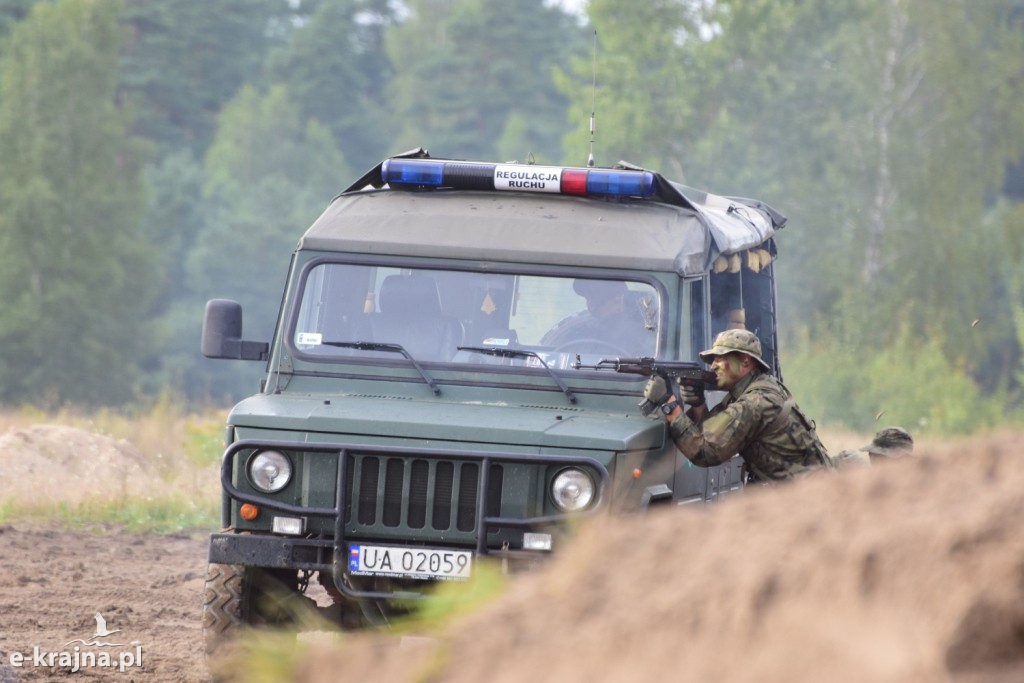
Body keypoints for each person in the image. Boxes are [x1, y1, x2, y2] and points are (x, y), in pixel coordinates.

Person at [644, 329, 832, 483]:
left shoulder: (754, 402)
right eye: (712, 361)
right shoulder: (756, 389)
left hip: (802, 499)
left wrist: (669, 406)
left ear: (745, 362)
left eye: (720, 359)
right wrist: (699, 404)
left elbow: (705, 452)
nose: (713, 367)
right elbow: (711, 432)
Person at [540, 279, 655, 355]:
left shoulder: (647, 331)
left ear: (618, 298)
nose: (591, 304)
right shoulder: (579, 330)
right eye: (588, 296)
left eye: (599, 297)